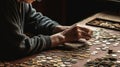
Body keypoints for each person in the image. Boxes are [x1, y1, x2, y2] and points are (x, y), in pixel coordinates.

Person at [0, 0, 92, 60]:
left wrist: (58, 28)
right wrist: (61, 37)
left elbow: (34, 19)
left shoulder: (22, 2)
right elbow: (18, 47)